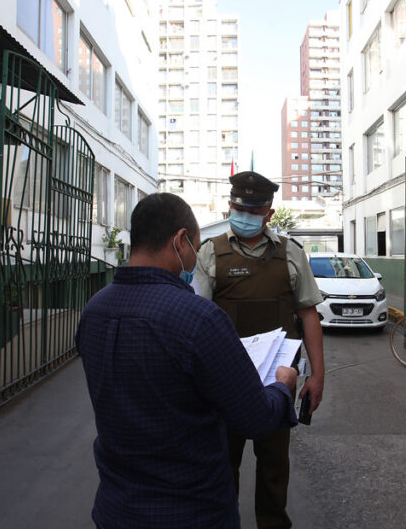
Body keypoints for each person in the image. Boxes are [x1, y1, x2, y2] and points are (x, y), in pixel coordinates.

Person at [76, 192, 298, 529]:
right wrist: (283, 385)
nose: (194, 258)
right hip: (192, 512)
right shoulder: (198, 318)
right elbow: (256, 419)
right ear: (180, 242)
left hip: (115, 509)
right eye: (195, 247)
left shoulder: (94, 311)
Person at [195, 171, 325, 528]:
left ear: (269, 213)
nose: (245, 215)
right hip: (224, 384)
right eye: (240, 208)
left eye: (254, 210)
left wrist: (318, 376)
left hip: (277, 382)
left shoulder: (291, 254)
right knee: (223, 470)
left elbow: (308, 314)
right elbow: (196, 318)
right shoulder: (210, 253)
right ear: (230, 206)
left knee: (273, 471)